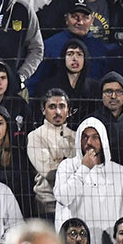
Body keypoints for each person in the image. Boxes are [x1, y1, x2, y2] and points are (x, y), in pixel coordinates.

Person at [52, 116, 123, 244]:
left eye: (95, 137)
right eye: (84, 137)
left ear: (103, 141)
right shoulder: (67, 166)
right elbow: (63, 198)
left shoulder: (118, 171)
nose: (89, 142)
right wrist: (84, 168)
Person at [26, 89, 77, 219]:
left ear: (69, 111)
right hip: (47, 207)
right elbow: (48, 172)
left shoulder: (76, 136)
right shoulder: (35, 136)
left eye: (62, 106)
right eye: (52, 107)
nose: (58, 112)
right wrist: (73, 167)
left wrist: (60, 163)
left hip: (74, 206)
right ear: (43, 110)